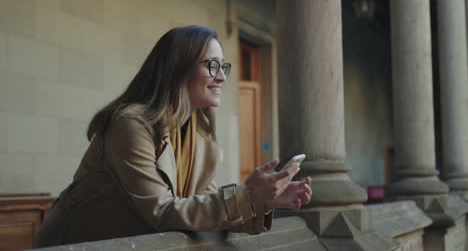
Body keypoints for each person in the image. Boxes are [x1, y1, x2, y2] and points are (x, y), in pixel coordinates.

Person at [34, 25, 312, 247]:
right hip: (77, 243)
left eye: (223, 67)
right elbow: (163, 212)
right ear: (178, 68)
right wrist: (249, 195)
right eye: (212, 66)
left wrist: (263, 200)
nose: (222, 77)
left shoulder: (198, 136)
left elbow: (198, 209)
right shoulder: (130, 125)